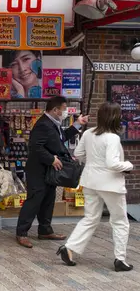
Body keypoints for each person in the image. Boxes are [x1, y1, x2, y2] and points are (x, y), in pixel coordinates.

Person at [57, 102, 134, 272]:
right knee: (120, 221)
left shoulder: (89, 133)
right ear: (115, 117)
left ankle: (69, 248)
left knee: (90, 218)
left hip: (90, 181)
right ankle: (120, 259)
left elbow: (78, 154)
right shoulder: (112, 137)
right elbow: (113, 164)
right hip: (111, 184)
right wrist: (128, 165)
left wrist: (92, 163)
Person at [16, 96, 88, 248]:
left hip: (49, 171)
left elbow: (61, 138)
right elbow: (35, 147)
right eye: (63, 109)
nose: (65, 112)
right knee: (34, 200)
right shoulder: (43, 124)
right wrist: (51, 159)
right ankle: (21, 233)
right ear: (55, 110)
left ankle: (45, 230)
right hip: (38, 170)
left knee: (48, 199)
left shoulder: (54, 124)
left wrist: (77, 124)